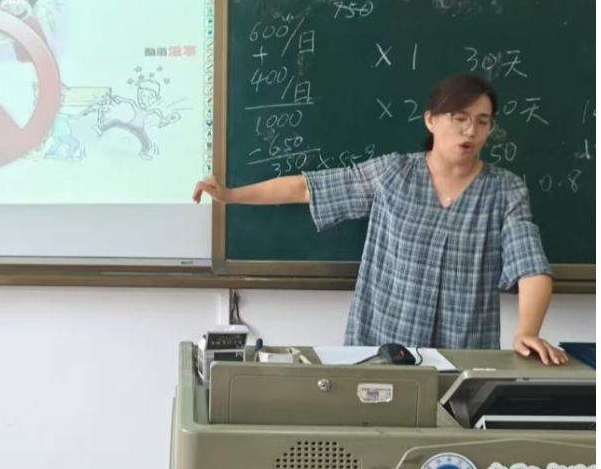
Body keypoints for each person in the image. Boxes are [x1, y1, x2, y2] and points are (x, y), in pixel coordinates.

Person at [193, 74, 567, 366]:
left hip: (464, 359)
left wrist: (528, 331)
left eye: (482, 122)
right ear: (431, 120)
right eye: (460, 118)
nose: (470, 130)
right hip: (382, 353)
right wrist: (230, 195)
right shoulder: (393, 174)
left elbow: (530, 266)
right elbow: (307, 188)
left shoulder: (505, 190)